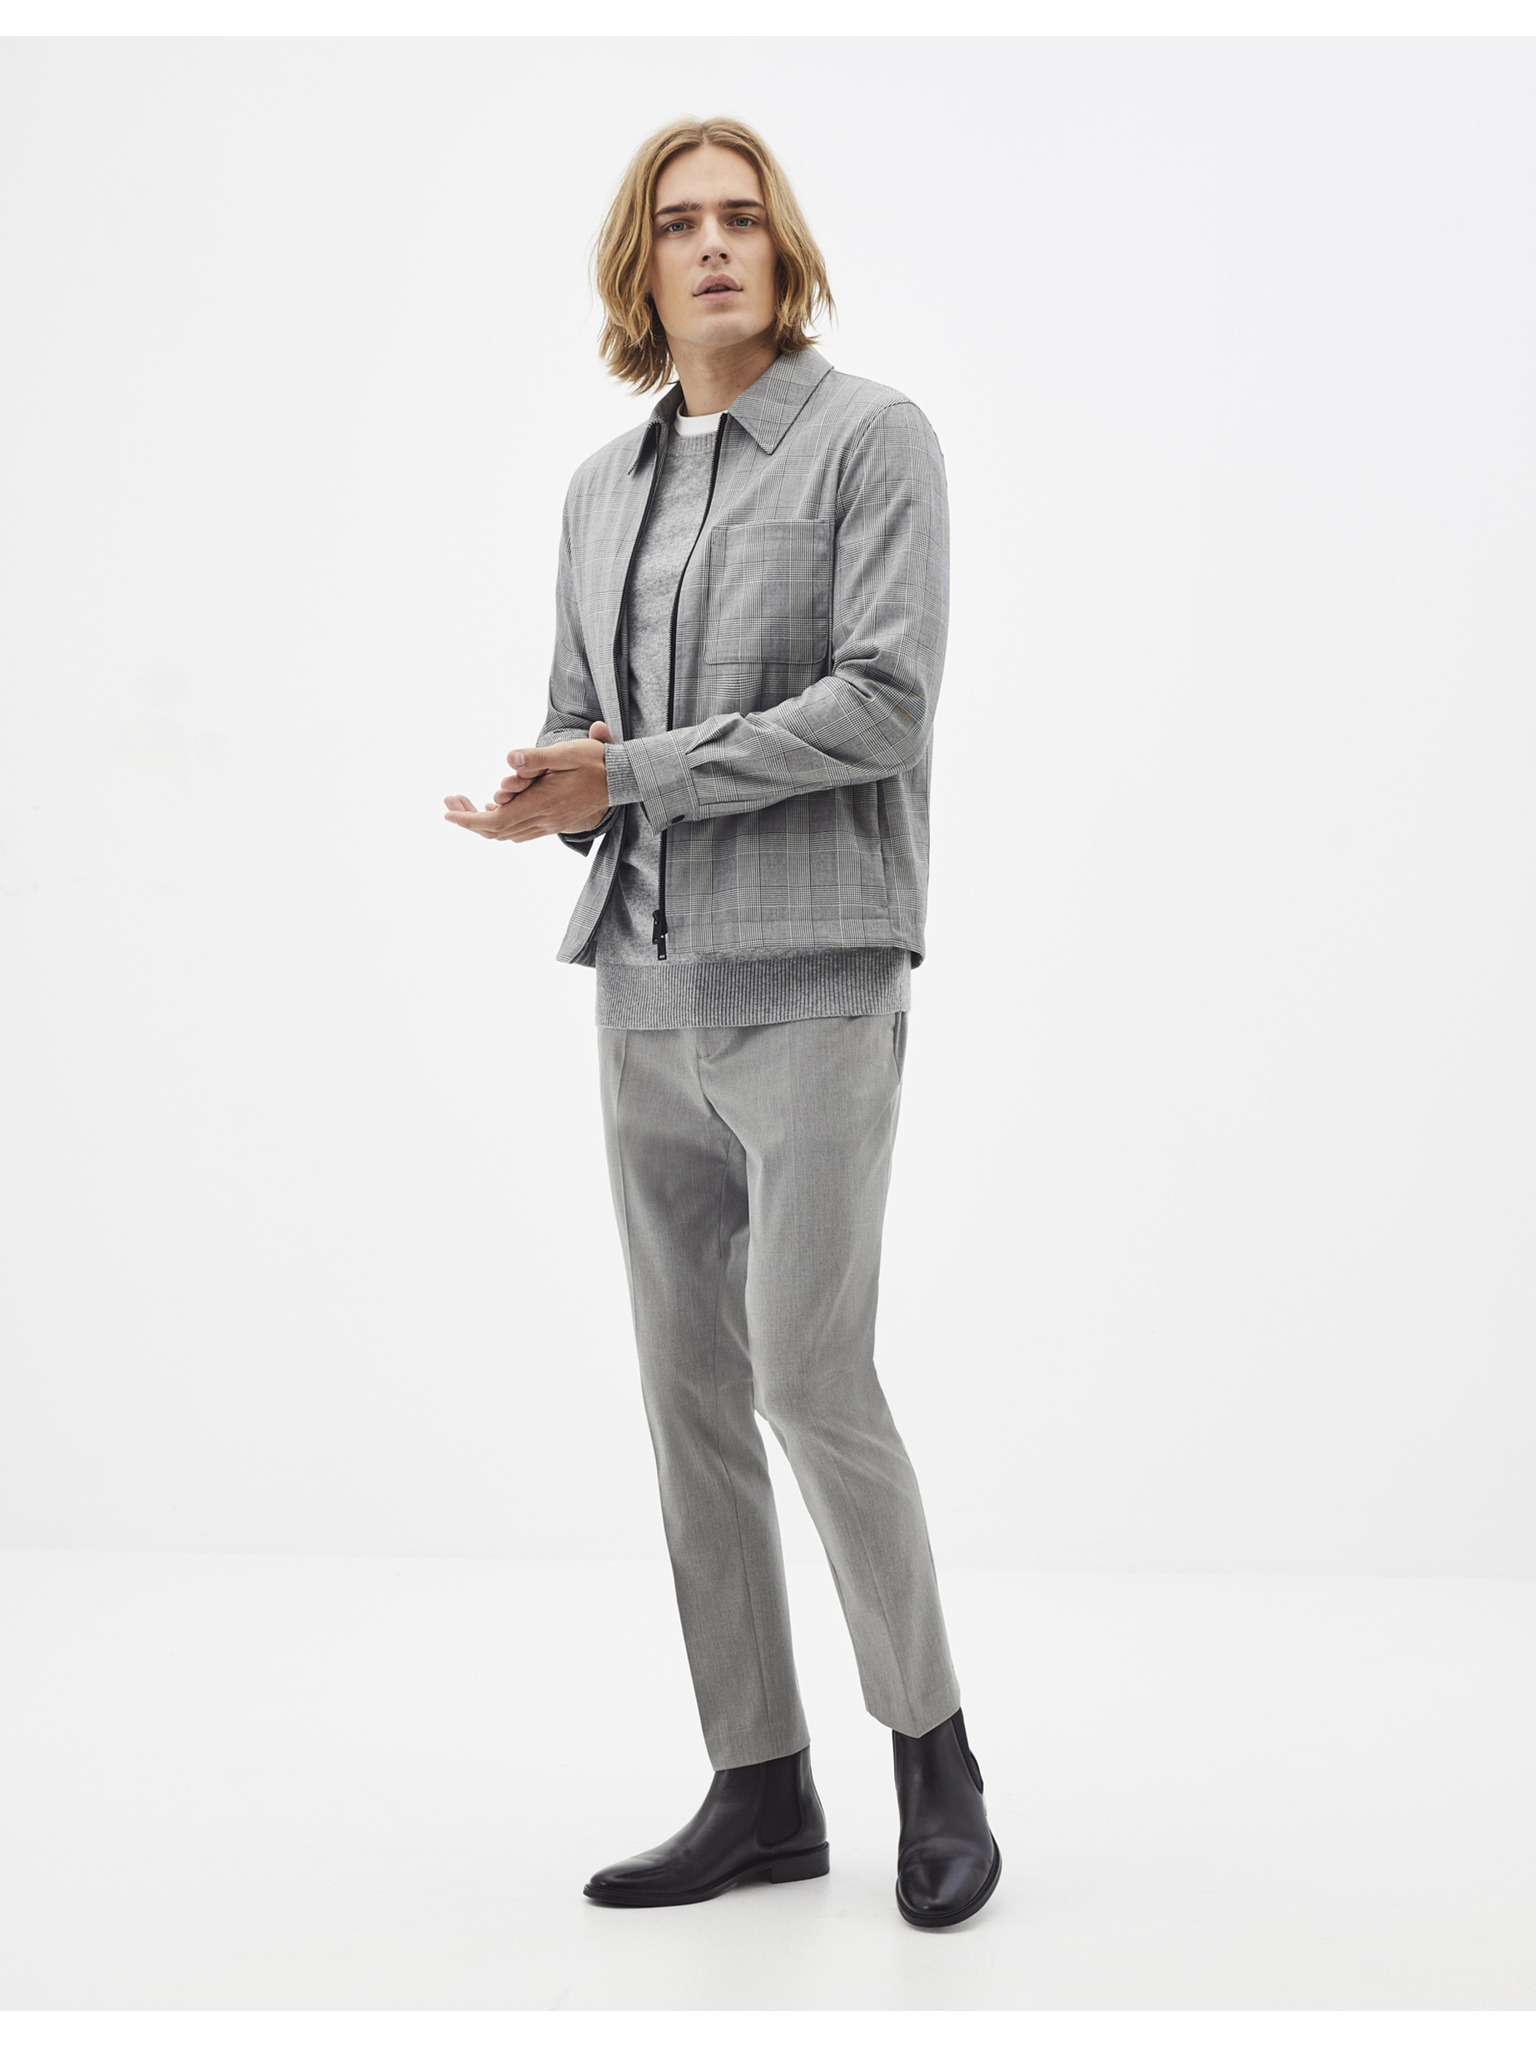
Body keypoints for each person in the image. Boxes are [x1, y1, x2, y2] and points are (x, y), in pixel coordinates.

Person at [443, 115, 999, 1930]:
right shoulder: (598, 489)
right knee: (688, 1399)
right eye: (678, 223)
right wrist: (553, 794)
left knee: (811, 1379)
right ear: (641, 265)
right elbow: (583, 723)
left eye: (741, 219)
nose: (711, 247)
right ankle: (759, 1786)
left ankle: (936, 1759)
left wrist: (635, 772)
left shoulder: (870, 440)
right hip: (641, 986)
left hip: (815, 978)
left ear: (784, 249)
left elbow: (884, 704)